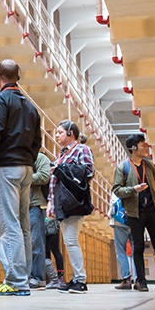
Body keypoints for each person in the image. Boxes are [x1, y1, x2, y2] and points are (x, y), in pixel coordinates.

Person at [0, 59, 41, 297]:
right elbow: (38, 141)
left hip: (5, 168)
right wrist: (29, 161)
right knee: (23, 224)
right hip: (25, 168)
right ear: (19, 76)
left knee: (9, 224)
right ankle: (23, 279)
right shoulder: (31, 107)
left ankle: (16, 281)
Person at [112, 133, 155, 292]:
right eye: (142, 144)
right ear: (133, 148)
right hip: (135, 213)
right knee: (138, 247)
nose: (145, 147)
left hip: (153, 211)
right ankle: (141, 281)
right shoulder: (122, 167)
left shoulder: (150, 166)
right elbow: (117, 190)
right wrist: (133, 189)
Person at [47, 120, 94, 293]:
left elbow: (88, 172)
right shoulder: (61, 153)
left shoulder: (82, 149)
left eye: (60, 132)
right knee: (68, 241)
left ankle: (80, 280)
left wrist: (62, 168)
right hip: (62, 203)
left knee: (71, 241)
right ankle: (76, 278)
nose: (57, 135)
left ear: (70, 133)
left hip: (74, 201)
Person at [28, 147, 52, 288]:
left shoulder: (41, 158)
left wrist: (24, 178)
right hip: (21, 206)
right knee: (26, 245)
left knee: (36, 243)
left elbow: (44, 176)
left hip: (36, 205)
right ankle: (28, 276)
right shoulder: (19, 160)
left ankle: (38, 277)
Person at [110, 194, 135, 289]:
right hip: (134, 221)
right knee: (136, 252)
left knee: (121, 251)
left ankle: (126, 279)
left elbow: (113, 206)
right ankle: (138, 280)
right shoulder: (136, 183)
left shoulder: (117, 188)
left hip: (119, 222)